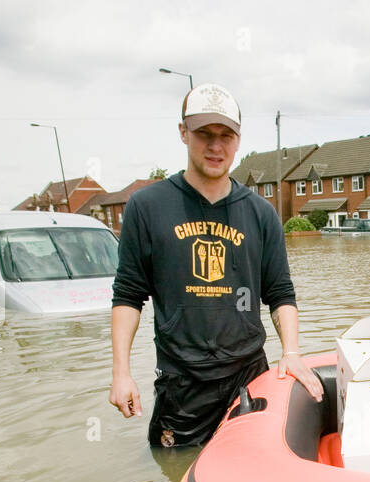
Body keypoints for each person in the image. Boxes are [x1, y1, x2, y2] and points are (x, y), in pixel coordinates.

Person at [109, 82, 323, 447]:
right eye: (204, 134)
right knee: (173, 481)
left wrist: (291, 353)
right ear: (183, 133)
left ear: (238, 140)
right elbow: (128, 295)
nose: (215, 146)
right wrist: (121, 373)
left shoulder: (261, 214)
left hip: (249, 378)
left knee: (253, 477)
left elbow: (281, 292)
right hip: (182, 386)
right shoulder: (146, 207)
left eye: (226, 135)